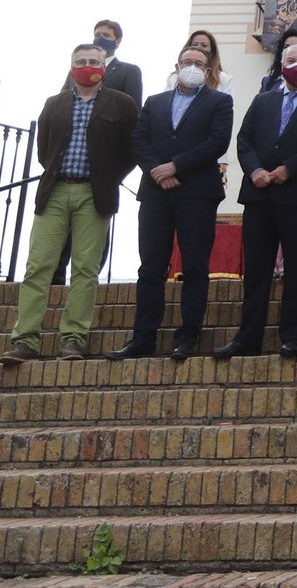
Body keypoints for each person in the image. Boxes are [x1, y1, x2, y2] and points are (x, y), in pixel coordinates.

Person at [0, 43, 138, 365]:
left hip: (95, 194)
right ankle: (25, 340)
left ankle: (73, 339)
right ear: (71, 66)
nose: (87, 65)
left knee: (85, 270)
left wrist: (108, 177)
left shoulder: (122, 104)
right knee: (38, 267)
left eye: (93, 61)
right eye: (81, 61)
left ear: (104, 66)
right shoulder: (54, 103)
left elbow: (131, 150)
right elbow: (44, 149)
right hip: (56, 191)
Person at [109, 44, 235, 361]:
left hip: (197, 194)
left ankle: (188, 337)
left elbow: (216, 142)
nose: (192, 67)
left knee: (194, 267)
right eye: (186, 62)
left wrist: (176, 165)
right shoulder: (155, 102)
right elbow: (139, 140)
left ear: (207, 71)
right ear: (176, 67)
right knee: (151, 266)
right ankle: (142, 338)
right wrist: (158, 171)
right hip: (156, 193)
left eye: (199, 63)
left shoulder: (220, 102)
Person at [217, 43, 297, 359]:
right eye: (290, 60)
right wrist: (255, 169)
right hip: (259, 195)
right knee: (257, 270)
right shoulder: (263, 101)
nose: (296, 65)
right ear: (281, 64)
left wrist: (290, 168)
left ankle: (291, 336)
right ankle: (248, 338)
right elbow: (243, 141)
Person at [50, 18, 143, 286]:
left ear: (117, 40)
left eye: (106, 34)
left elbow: (132, 118)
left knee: (95, 225)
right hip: (70, 161)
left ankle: (88, 277)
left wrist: (118, 168)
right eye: (96, 34)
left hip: (104, 164)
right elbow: (60, 108)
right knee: (61, 226)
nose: (100, 38)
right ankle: (56, 275)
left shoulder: (128, 71)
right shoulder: (75, 72)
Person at [163, 30, 233, 93]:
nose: (198, 47)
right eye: (194, 45)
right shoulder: (173, 78)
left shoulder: (223, 78)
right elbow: (165, 102)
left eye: (204, 45)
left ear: (212, 51)